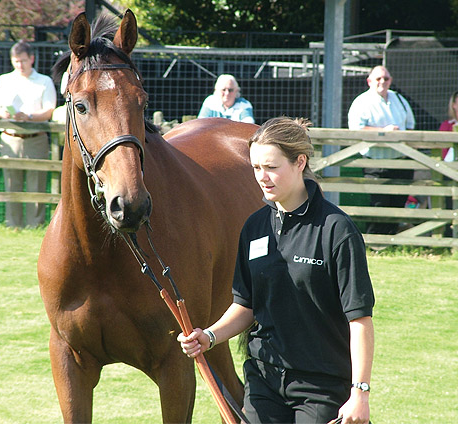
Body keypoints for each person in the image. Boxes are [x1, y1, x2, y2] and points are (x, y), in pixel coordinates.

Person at [178, 117, 375, 424]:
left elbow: (359, 319)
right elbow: (246, 305)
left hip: (322, 387)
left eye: (271, 167)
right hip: (264, 381)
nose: (262, 177)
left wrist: (359, 393)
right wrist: (210, 336)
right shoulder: (254, 227)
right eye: (256, 168)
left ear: (300, 162)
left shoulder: (337, 230)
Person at [0, 40, 56, 228]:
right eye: (16, 61)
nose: (20, 65)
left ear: (31, 59)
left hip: (36, 137)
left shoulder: (44, 81)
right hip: (10, 137)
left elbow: (50, 110)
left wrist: (30, 116)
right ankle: (13, 225)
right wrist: (4, 114)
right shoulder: (3, 81)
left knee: (37, 184)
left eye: (23, 61)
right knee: (12, 183)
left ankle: (35, 225)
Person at [348, 65, 416, 234]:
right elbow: (355, 129)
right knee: (379, 204)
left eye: (386, 78)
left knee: (398, 203)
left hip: (401, 161)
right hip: (375, 162)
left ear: (390, 80)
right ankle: (375, 244)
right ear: (369, 81)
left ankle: (391, 243)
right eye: (378, 78)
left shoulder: (399, 99)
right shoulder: (361, 102)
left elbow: (410, 125)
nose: (382, 82)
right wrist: (383, 133)